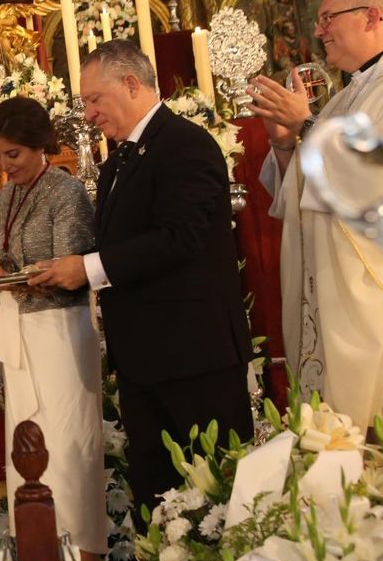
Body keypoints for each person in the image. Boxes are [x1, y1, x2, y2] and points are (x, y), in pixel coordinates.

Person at [31, 40, 253, 518]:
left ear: (131, 84)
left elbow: (179, 238)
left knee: (216, 500)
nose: (87, 115)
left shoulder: (186, 144)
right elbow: (117, 241)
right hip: (146, 361)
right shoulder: (118, 161)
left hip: (195, 357)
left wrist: (88, 269)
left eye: (94, 100)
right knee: (158, 501)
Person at [0, 97, 106, 561]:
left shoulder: (67, 192)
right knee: (27, 453)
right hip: (18, 327)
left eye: (13, 155)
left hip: (61, 331)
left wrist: (4, 276)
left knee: (68, 450)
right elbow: (6, 262)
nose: (5, 166)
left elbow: (71, 273)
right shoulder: (4, 199)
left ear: (40, 146)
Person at [250, 0, 383, 426]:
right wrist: (285, 144)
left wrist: (306, 125)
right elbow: (305, 193)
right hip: (328, 281)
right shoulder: (345, 95)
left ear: (373, 17)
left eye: (329, 19)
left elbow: (371, 176)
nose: (319, 31)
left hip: (367, 289)